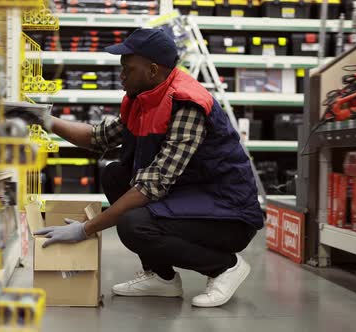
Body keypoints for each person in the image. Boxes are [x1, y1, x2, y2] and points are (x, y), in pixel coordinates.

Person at [34, 28, 264, 308]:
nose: (121, 76)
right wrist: (44, 119)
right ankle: (162, 277)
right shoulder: (144, 99)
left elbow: (151, 186)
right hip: (192, 198)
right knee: (115, 174)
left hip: (227, 214)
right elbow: (97, 138)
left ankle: (224, 266)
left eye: (127, 69)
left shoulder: (186, 104)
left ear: (153, 70)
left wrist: (86, 229)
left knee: (134, 224)